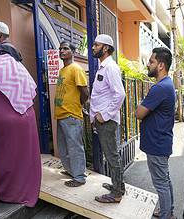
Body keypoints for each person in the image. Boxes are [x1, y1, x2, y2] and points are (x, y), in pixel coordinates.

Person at [0, 21, 41, 207]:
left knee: (3, 158)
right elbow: (31, 92)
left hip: (2, 122)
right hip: (27, 119)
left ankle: (4, 192)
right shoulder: (20, 69)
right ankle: (25, 192)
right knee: (23, 159)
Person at [136, 47, 176, 219]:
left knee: (161, 183)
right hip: (160, 142)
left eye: (151, 61)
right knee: (164, 180)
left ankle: (167, 214)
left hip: (157, 143)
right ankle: (168, 210)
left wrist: (140, 104)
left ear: (160, 65)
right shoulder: (166, 85)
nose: (148, 64)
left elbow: (139, 113)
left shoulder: (160, 87)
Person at [90, 34, 126, 203]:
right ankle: (119, 185)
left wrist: (103, 115)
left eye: (96, 45)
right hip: (103, 119)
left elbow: (120, 94)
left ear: (105, 48)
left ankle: (117, 193)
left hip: (107, 120)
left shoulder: (110, 67)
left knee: (111, 156)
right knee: (112, 155)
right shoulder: (103, 67)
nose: (93, 47)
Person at [55, 41, 89, 187]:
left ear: (73, 52)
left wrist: (78, 105)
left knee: (75, 147)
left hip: (71, 115)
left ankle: (79, 177)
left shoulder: (76, 69)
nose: (62, 51)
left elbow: (85, 92)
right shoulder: (62, 70)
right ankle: (72, 171)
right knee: (63, 148)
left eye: (66, 49)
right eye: (60, 49)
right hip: (61, 114)